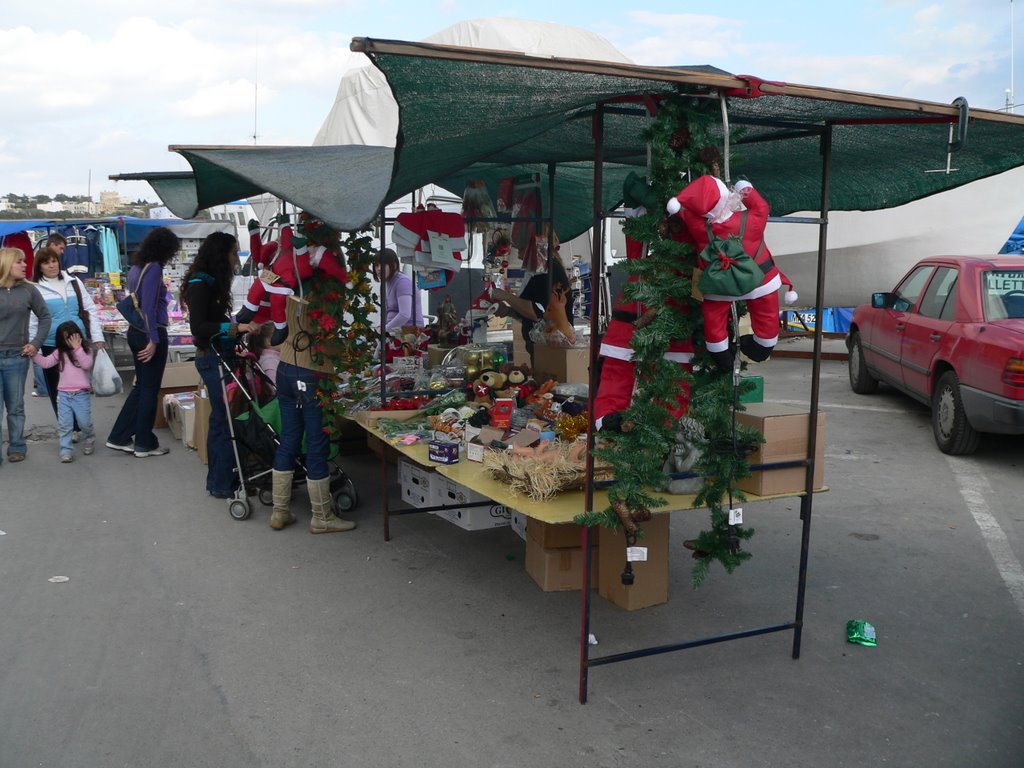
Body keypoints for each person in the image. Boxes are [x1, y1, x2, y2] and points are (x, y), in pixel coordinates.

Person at [180, 231, 261, 498]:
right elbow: (199, 327)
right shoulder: (200, 285)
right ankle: (222, 482)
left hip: (217, 356)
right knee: (224, 420)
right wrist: (235, 327)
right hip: (211, 359)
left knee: (221, 420)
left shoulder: (210, 283)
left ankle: (221, 480)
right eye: (232, 252)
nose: (235, 259)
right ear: (220, 254)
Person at [270, 291, 355, 534]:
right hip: (312, 371)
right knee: (317, 441)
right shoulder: (325, 294)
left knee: (288, 439)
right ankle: (321, 516)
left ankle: (280, 511)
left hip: (285, 368)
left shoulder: (287, 288)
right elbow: (328, 340)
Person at [106, 226, 180, 458]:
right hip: (150, 331)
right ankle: (144, 442)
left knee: (141, 388)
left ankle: (119, 436)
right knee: (149, 389)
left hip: (136, 331)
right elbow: (148, 305)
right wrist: (154, 340)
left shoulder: (137, 267)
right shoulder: (155, 268)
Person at [29, 246, 105, 438]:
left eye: (54, 261)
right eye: (46, 263)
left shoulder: (74, 282)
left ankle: (82, 425)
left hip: (77, 342)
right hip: (49, 344)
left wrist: (97, 338)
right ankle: (69, 428)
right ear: (40, 266)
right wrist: (33, 346)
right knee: (58, 390)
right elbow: (32, 320)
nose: (51, 265)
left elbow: (90, 310)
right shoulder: (35, 288)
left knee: (79, 386)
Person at [0, 247, 52, 465]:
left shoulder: (30, 290)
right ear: (6, 264)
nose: (24, 265)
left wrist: (35, 343)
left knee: (15, 406)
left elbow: (45, 317)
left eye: (24, 261)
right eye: (19, 262)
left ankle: (17, 446)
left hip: (17, 356)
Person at [490, 250, 574, 368]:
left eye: (521, 247)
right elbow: (532, 314)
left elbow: (538, 312)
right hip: (542, 347)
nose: (518, 252)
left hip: (553, 348)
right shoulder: (536, 273)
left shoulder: (547, 272)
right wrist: (509, 311)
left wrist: (505, 296)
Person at [33, 321, 95, 463]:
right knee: (65, 424)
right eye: (66, 339)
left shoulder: (86, 351)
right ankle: (65, 450)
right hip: (64, 394)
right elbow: (46, 363)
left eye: (72, 338)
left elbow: (86, 364)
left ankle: (89, 437)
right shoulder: (59, 353)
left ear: (78, 336)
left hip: (81, 394)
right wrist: (34, 354)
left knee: (84, 422)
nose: (69, 342)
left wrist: (77, 348)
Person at [372, 247, 424, 334]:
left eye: (383, 264)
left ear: (394, 265)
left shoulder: (402, 282)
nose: (379, 268)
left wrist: (384, 330)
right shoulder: (386, 283)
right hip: (393, 331)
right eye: (376, 265)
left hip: (409, 332)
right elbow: (384, 310)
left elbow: (404, 315)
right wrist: (379, 326)